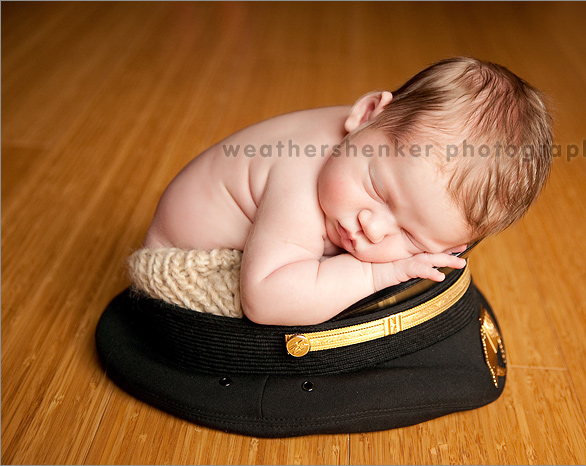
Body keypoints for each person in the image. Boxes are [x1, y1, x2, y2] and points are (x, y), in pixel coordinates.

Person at [132, 57, 552, 325]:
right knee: (323, 307)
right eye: (378, 191)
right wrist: (373, 273)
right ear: (367, 113)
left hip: (261, 245)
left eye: (411, 237)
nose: (372, 228)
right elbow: (263, 299)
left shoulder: (375, 142)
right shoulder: (299, 179)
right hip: (185, 262)